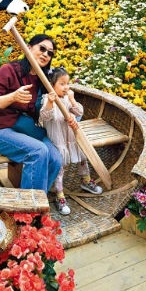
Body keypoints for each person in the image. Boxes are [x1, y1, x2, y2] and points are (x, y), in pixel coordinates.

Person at [0, 34, 62, 194]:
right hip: (0, 130)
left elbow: (55, 104)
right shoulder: (8, 71)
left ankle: (36, 198)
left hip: (28, 129)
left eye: (50, 52)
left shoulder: (44, 79)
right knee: (39, 151)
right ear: (29, 47)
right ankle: (30, 206)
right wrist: (12, 97)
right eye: (42, 48)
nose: (46, 54)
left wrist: (71, 112)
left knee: (55, 159)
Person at [39, 67, 103, 215]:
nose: (66, 87)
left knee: (82, 157)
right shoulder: (47, 99)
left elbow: (79, 112)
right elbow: (45, 116)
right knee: (60, 167)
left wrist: (72, 100)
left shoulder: (67, 98)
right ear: (51, 85)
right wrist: (50, 102)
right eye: (62, 84)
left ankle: (85, 181)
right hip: (58, 140)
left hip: (71, 137)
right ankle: (60, 195)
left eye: (67, 83)